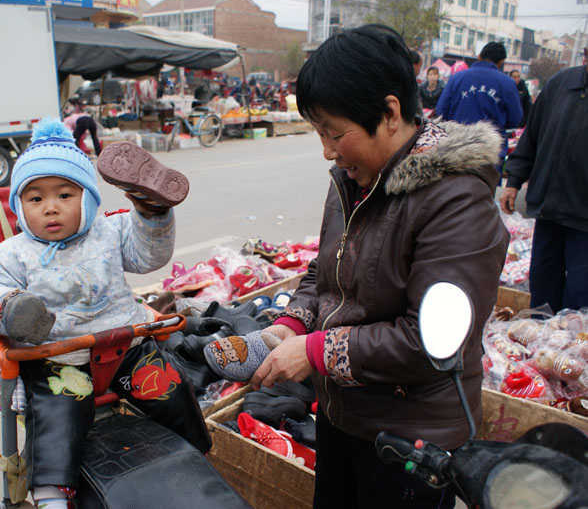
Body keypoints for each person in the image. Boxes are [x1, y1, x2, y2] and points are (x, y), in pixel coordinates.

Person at [203, 25, 509, 508]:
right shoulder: (353, 178)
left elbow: (430, 341)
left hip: (411, 437)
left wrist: (316, 352)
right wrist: (289, 325)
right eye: (318, 132)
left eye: (334, 132)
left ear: (389, 114)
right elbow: (323, 275)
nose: (326, 150)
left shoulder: (456, 200)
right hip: (343, 414)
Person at [0, 119, 209, 509]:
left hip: (124, 348)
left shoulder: (110, 232)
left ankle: (196, 454)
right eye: (35, 199)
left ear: (89, 198)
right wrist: (9, 307)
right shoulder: (13, 254)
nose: (51, 207)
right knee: (55, 423)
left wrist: (153, 220)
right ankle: (51, 497)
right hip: (58, 359)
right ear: (18, 206)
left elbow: (149, 256)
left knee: (173, 389)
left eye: (65, 194)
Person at [500, 47, 588, 313]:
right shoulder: (561, 84)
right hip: (549, 209)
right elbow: (532, 138)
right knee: (542, 287)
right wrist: (514, 180)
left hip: (584, 219)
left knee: (580, 297)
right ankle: (538, 345)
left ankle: (571, 350)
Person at [436, 41, 523, 181]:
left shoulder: (457, 78)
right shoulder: (507, 83)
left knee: (452, 194)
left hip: (456, 148)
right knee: (485, 195)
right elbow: (515, 118)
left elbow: (441, 111)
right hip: (489, 153)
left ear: (479, 56)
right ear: (500, 62)